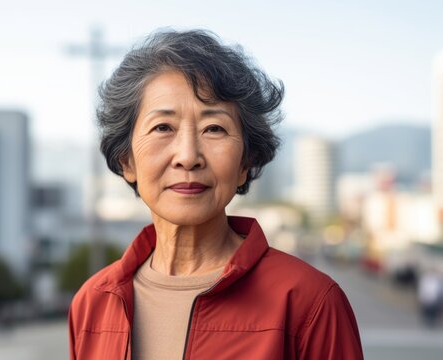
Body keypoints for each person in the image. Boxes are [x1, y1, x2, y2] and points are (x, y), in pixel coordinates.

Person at [68, 29, 363, 359]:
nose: (188, 156)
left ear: (245, 163)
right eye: (163, 127)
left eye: (214, 128)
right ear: (127, 161)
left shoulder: (310, 303)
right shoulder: (92, 303)